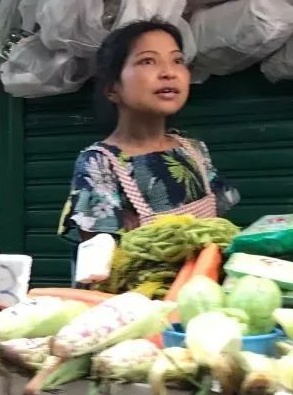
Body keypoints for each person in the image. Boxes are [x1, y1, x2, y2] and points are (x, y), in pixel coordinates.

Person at [60, 19, 239, 244]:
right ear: (112, 88)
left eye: (177, 60)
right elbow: (97, 261)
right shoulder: (99, 163)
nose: (168, 72)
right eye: (148, 61)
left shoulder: (194, 150)